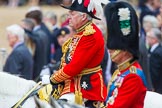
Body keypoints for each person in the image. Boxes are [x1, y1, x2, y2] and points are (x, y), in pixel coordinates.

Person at [39, 0, 108, 107]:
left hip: (84, 88)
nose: (68, 16)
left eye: (72, 13)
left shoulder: (90, 35)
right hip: (71, 85)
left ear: (84, 17)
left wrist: (51, 79)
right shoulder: (81, 32)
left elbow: (74, 67)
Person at [104, 2, 147, 108]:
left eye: (114, 48)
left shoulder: (133, 77)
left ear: (124, 50)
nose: (109, 50)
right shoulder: (121, 72)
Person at [146, 28, 162, 94]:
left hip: (157, 87)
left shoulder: (156, 53)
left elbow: (154, 72)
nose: (146, 38)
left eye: (149, 37)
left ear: (154, 39)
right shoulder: (152, 50)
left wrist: (152, 85)